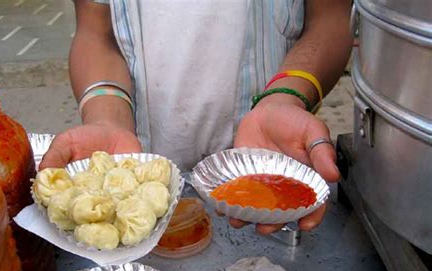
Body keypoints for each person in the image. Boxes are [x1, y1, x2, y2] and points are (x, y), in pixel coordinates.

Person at [41, 0, 353, 235]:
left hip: (270, 168)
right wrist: (106, 118)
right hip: (138, 178)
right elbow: (97, 32)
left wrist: (285, 98)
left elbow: (329, 18)